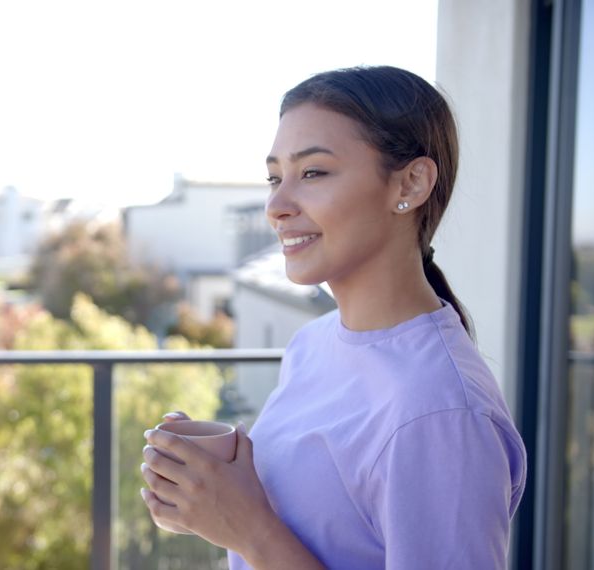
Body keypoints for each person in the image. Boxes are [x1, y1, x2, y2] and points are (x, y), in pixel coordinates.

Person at [139, 65, 528, 569]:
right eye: (274, 177)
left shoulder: (441, 416)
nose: (276, 206)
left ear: (410, 182)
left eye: (313, 172)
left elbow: (268, 534)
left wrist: (251, 530)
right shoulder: (315, 343)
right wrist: (214, 486)